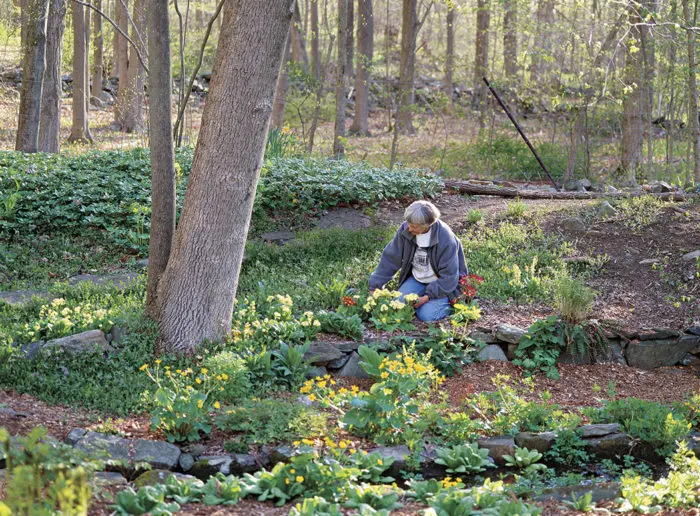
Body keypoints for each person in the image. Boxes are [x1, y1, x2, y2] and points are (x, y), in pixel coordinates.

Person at [368, 200, 468, 322]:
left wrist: (427, 297)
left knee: (426, 315)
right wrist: (375, 286)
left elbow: (449, 276)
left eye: (414, 226)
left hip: (441, 284)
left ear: (428, 225)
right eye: (409, 223)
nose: (409, 229)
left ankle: (450, 303)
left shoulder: (445, 239)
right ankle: (422, 300)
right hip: (417, 279)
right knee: (397, 304)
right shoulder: (405, 230)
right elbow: (390, 258)